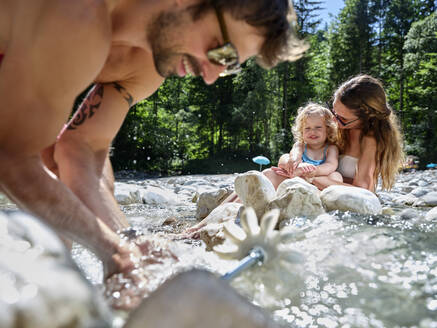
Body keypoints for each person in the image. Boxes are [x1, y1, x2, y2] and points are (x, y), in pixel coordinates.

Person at [0, 0, 308, 302]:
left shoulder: (146, 64)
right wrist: (116, 254)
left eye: (230, 64)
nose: (211, 75)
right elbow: (13, 156)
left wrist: (131, 243)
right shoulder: (78, 13)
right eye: (220, 49)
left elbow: (80, 149)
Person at [265, 74, 404, 192]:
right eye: (334, 112)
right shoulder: (338, 128)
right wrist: (291, 162)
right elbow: (300, 148)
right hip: (313, 184)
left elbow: (364, 190)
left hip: (338, 195)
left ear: (366, 116)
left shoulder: (370, 141)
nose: (333, 121)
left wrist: (311, 177)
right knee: (268, 175)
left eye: (342, 118)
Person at [266, 103, 342, 189]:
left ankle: (322, 198)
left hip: (318, 182)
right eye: (307, 128)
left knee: (336, 175)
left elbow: (331, 165)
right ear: (301, 131)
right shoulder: (300, 145)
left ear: (328, 129)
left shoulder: (331, 148)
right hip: (296, 178)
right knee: (282, 160)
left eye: (318, 127)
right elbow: (294, 155)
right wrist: (297, 165)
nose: (312, 131)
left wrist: (314, 171)